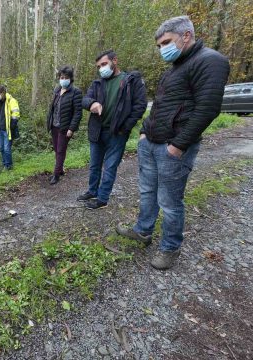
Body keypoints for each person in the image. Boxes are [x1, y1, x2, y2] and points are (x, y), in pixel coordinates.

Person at [116, 16, 230, 270]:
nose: (162, 49)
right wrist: (144, 132)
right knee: (147, 192)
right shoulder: (175, 68)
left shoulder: (210, 61)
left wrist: (178, 145)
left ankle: (170, 247)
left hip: (173, 148)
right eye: (158, 46)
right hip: (151, 143)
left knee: (169, 201)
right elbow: (159, 106)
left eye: (165, 42)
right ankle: (143, 231)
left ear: (186, 35)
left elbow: (208, 109)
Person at [78, 50, 147, 209]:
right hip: (97, 131)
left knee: (110, 166)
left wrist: (126, 127)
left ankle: (102, 199)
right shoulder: (97, 83)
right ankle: (92, 190)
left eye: (104, 64)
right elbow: (85, 99)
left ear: (114, 60)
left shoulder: (130, 81)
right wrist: (91, 104)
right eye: (99, 66)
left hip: (117, 133)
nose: (101, 68)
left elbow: (140, 106)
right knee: (95, 164)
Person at [46, 65, 82, 185]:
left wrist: (71, 129)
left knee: (61, 149)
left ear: (70, 79)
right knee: (57, 149)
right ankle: (60, 169)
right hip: (54, 125)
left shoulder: (76, 92)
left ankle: (56, 174)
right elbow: (53, 108)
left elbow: (78, 112)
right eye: (61, 77)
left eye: (66, 77)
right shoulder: (57, 90)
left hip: (65, 127)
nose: (63, 79)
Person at [0, 85, 20, 171]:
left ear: (3, 93)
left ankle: (8, 166)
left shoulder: (11, 100)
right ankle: (4, 165)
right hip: (0, 129)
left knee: (7, 148)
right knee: (1, 148)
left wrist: (12, 125)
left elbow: (16, 114)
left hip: (7, 129)